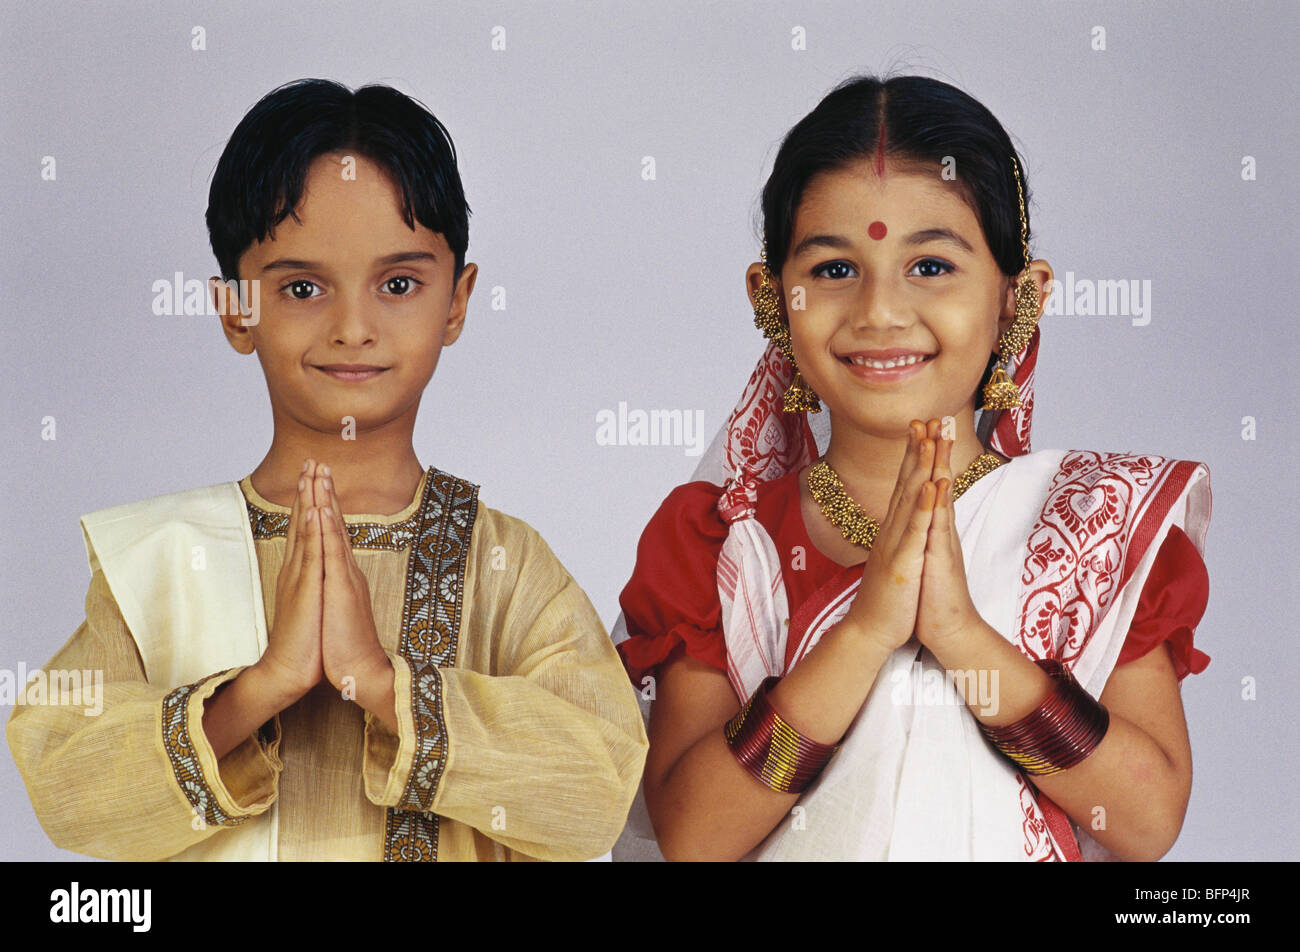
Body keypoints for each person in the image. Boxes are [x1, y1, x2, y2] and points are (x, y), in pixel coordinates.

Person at [7, 78, 647, 862]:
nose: (353, 327)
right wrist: (262, 688)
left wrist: (381, 684)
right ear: (235, 307)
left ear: (457, 300)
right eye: (302, 288)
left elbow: (599, 790)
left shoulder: (507, 567)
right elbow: (66, 780)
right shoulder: (161, 559)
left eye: (399, 284)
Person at [613, 74, 1211, 862]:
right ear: (771, 297)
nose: (880, 311)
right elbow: (694, 836)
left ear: (1015, 298)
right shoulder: (722, 545)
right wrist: (865, 633)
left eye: (930, 266)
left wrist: (960, 635)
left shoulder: (1093, 532)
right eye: (833, 269)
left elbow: (1145, 821)